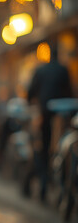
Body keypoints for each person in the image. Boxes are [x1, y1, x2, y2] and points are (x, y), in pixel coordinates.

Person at [27, 40, 72, 201]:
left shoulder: (40, 70)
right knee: (61, 148)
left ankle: (44, 185)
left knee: (42, 150)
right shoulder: (64, 70)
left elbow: (30, 93)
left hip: (44, 116)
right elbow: (70, 92)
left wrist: (31, 104)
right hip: (62, 117)